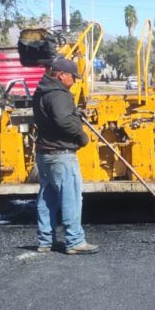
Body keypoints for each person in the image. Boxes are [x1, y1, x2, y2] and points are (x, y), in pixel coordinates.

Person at [33, 57, 97, 254]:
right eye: (73, 77)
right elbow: (62, 120)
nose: (74, 81)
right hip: (61, 154)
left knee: (47, 198)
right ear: (61, 75)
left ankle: (45, 240)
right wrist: (81, 135)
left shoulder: (41, 91)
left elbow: (55, 117)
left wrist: (74, 115)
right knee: (72, 198)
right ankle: (75, 241)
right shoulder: (60, 94)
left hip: (44, 153)